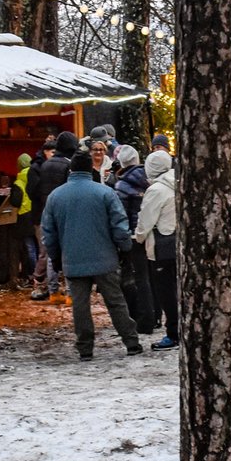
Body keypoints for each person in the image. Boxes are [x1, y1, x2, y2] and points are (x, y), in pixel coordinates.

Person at [43, 151, 144, 359]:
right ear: (92, 168)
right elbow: (119, 224)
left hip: (73, 259)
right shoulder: (105, 193)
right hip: (105, 257)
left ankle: (85, 347)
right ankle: (131, 341)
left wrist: (56, 257)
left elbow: (49, 233)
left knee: (80, 306)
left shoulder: (56, 196)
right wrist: (124, 248)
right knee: (115, 301)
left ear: (71, 170)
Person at [135, 150, 179, 349]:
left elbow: (146, 221)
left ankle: (173, 332)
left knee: (166, 292)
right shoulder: (178, 182)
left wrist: (138, 237)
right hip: (180, 242)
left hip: (162, 246)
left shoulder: (156, 190)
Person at [28, 132, 79, 302]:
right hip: (65, 215)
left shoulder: (46, 165)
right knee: (69, 254)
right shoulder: (68, 165)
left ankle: (53, 292)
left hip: (47, 212)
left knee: (51, 254)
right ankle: (70, 293)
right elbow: (71, 191)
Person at [112, 145, 157, 333]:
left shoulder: (122, 185)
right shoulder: (150, 180)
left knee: (137, 279)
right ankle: (156, 316)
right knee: (153, 276)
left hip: (133, 235)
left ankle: (144, 319)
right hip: (153, 233)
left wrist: (121, 238)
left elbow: (119, 214)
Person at [12, 153, 38, 286]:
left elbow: (15, 202)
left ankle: (32, 276)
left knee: (29, 248)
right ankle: (41, 276)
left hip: (25, 216)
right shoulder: (38, 174)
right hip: (38, 214)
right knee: (40, 247)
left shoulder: (18, 182)